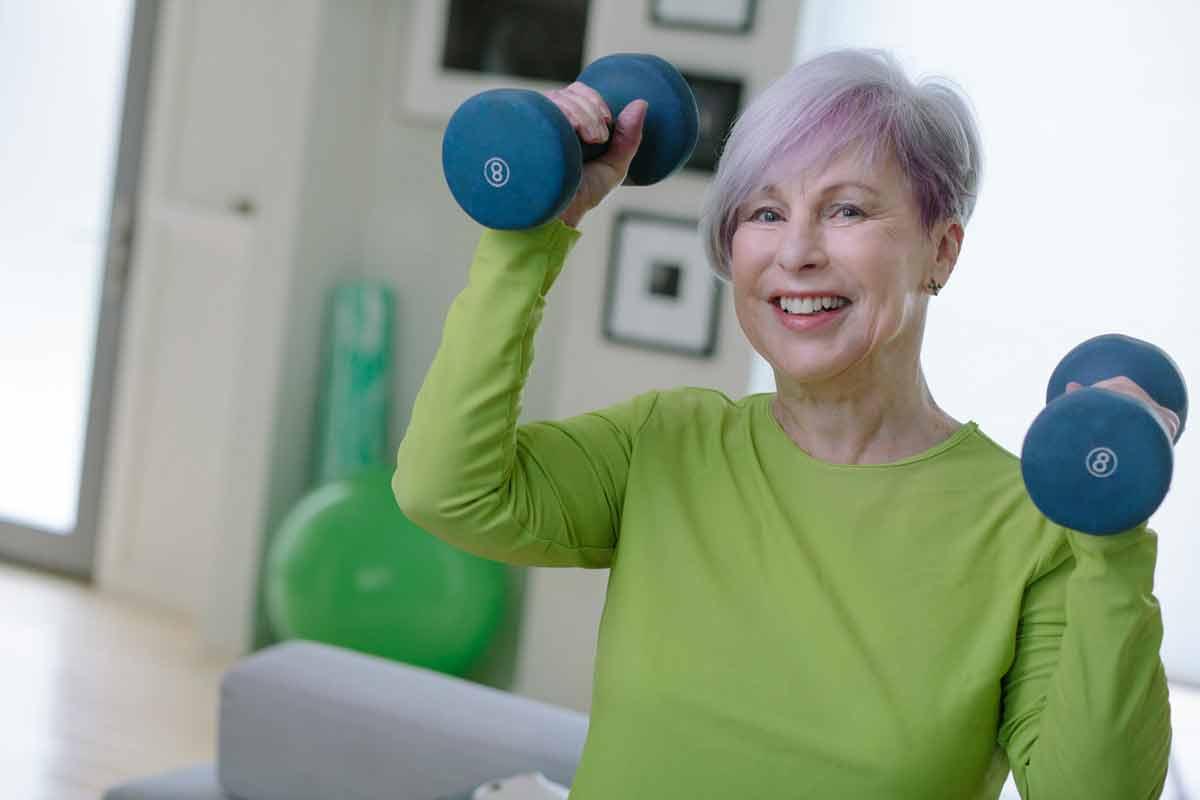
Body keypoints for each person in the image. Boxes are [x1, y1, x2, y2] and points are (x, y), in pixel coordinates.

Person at [395, 48, 1175, 798]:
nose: (796, 251)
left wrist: (1113, 542)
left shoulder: (1033, 524)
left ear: (942, 250)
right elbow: (447, 491)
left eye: (846, 209)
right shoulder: (667, 444)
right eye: (766, 211)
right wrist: (530, 234)